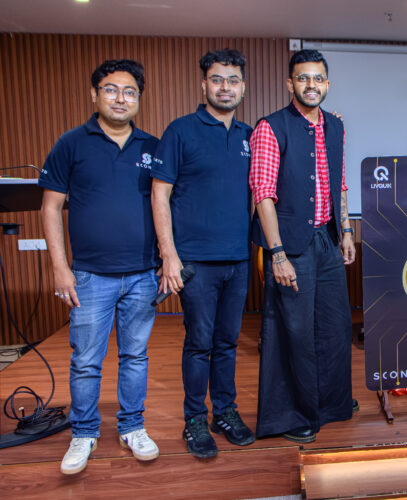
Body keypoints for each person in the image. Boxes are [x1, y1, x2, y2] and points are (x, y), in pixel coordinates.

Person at [39, 59, 160, 474]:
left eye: (129, 92)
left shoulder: (152, 147)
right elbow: (50, 208)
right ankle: (84, 432)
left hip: (143, 275)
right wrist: (60, 268)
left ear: (139, 98)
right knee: (86, 360)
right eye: (111, 89)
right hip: (89, 276)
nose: (120, 98)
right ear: (94, 94)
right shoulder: (71, 143)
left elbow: (165, 205)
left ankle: (133, 426)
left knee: (136, 356)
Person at [150, 49, 253, 458]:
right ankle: (194, 418)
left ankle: (224, 412)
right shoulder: (180, 131)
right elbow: (160, 195)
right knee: (199, 343)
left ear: (243, 87)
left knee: (227, 342)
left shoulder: (249, 136)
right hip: (194, 262)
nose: (225, 87)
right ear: (204, 84)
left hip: (238, 259)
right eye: (217, 79)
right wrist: (169, 256)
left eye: (232, 80)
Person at [249, 49, 356, 444]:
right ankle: (294, 414)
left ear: (327, 83)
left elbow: (339, 183)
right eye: (303, 78)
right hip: (289, 245)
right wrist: (276, 254)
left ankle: (329, 404)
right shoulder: (270, 127)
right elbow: (263, 194)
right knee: (293, 331)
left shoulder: (336, 126)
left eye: (318, 78)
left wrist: (346, 230)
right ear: (289, 83)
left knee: (334, 327)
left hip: (327, 239)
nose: (311, 85)